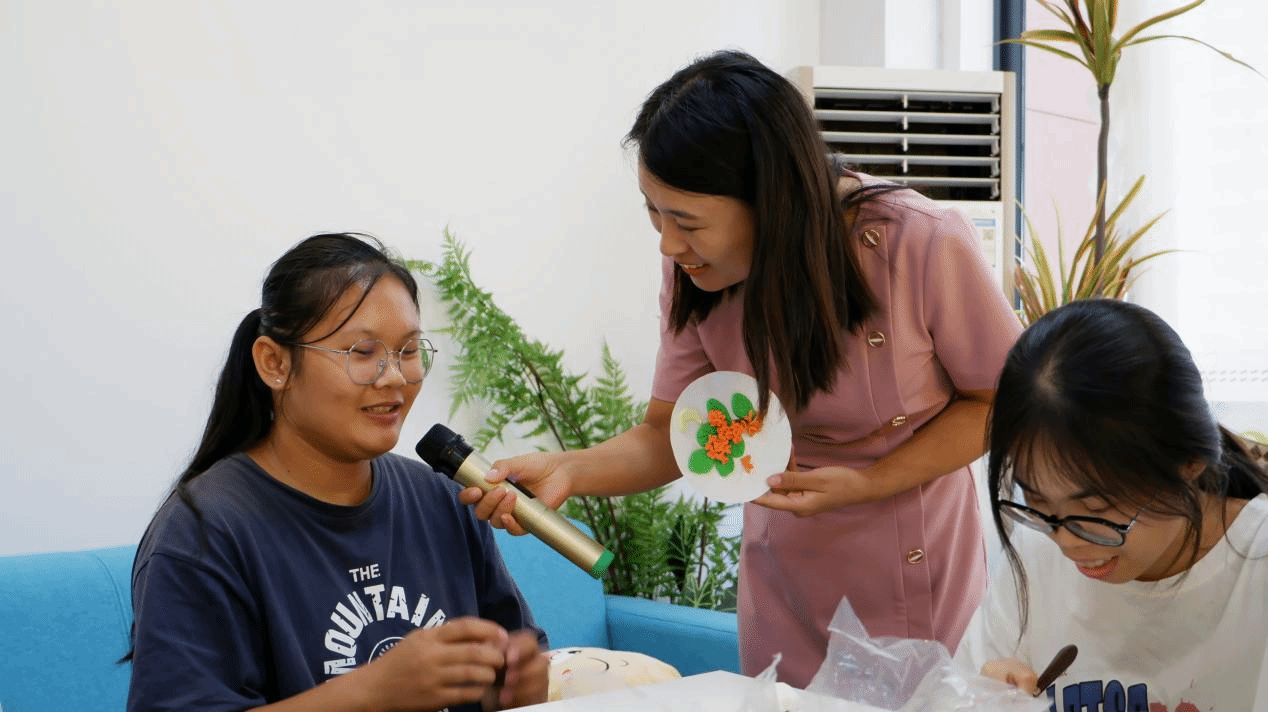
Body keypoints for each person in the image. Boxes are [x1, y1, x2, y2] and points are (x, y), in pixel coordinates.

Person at [461, 50, 1022, 688]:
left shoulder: (919, 241)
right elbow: (669, 435)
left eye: (687, 221)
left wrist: (872, 482)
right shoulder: (694, 271)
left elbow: (999, 399)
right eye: (654, 212)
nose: (668, 243)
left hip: (914, 567)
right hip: (786, 583)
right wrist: (569, 470)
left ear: (772, 201)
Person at [127, 233, 549, 712]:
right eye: (362, 352)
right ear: (274, 363)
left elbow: (518, 669)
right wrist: (372, 693)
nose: (394, 377)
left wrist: (518, 684)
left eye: (409, 350)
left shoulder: (444, 500)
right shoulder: (202, 533)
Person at [956, 299, 1268, 709]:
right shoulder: (1038, 552)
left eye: (1096, 510)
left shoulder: (1256, 567)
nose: (1067, 542)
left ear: (1189, 463)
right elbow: (958, 690)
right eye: (1036, 500)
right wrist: (979, 699)